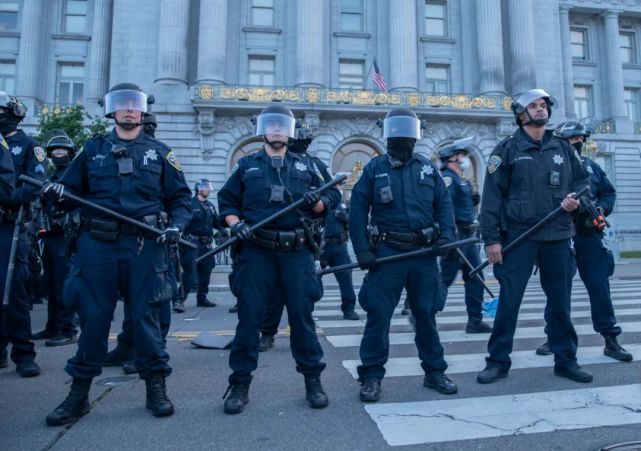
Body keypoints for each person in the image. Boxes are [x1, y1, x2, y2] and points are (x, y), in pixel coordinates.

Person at [43, 83, 192, 426]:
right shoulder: (92, 149)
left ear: (142, 112)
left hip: (145, 244)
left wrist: (177, 227)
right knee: (94, 318)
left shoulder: (160, 152)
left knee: (146, 318)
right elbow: (68, 188)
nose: (128, 110)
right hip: (98, 244)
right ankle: (78, 394)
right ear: (112, 110)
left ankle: (155, 387)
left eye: (134, 105)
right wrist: (57, 191)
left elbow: (181, 200)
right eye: (121, 104)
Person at [217, 105, 340, 414]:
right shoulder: (246, 165)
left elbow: (335, 194)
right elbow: (226, 203)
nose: (275, 130)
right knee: (249, 320)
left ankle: (313, 380)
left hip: (296, 252)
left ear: (289, 131)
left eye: (281, 125)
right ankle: (240, 383)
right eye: (270, 125)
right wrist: (237, 224)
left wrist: (319, 204)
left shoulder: (308, 165)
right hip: (256, 251)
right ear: (263, 130)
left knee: (302, 318)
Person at [477, 88, 592, 385]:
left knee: (560, 304)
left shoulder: (564, 149)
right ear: (521, 114)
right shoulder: (505, 150)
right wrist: (491, 240)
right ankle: (497, 361)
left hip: (557, 236)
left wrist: (574, 201)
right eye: (534, 106)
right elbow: (491, 199)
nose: (541, 109)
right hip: (519, 237)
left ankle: (566, 360)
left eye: (543, 105)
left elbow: (582, 183)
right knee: (509, 303)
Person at [349, 108, 458, 403]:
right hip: (388, 253)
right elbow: (357, 209)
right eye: (397, 130)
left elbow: (443, 206)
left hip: (423, 253)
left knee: (425, 314)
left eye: (407, 130)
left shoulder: (427, 168)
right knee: (378, 316)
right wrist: (362, 248)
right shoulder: (374, 168)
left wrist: (447, 236)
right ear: (387, 134)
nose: (403, 136)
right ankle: (371, 375)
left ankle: (434, 371)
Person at [534, 121, 631, 362]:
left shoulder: (592, 168)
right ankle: (554, 335)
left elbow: (609, 194)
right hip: (561, 236)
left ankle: (610, 339)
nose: (576, 143)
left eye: (579, 139)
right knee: (558, 291)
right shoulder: (550, 169)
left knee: (599, 288)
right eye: (571, 140)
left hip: (589, 236)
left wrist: (600, 209)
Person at [256, 120, 354, 354]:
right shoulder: (270, 160)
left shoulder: (314, 164)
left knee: (303, 293)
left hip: (307, 237)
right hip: (277, 234)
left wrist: (319, 202)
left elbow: (333, 193)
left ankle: (307, 333)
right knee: (276, 292)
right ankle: (267, 333)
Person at [0, 91, 45, 377]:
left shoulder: (27, 144)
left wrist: (10, 198)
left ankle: (23, 352)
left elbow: (37, 181)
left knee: (13, 289)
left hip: (12, 224)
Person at [437, 142, 491, 333]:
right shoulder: (448, 178)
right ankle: (423, 314)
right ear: (451, 158)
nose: (464, 158)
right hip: (457, 236)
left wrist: (471, 199)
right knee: (445, 279)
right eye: (460, 154)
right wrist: (449, 235)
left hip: (468, 236)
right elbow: (445, 207)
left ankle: (475, 320)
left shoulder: (461, 179)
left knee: (475, 277)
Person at [31, 131, 79, 346]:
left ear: (70, 153)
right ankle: (53, 326)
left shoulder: (73, 175)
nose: (59, 154)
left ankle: (68, 328)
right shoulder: (52, 175)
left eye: (63, 151)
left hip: (65, 236)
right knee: (50, 283)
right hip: (49, 234)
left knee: (63, 283)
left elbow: (77, 202)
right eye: (55, 151)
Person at [172, 179, 222, 312]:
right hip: (191, 243)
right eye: (206, 187)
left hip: (207, 244)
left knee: (206, 269)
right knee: (190, 272)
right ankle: (179, 299)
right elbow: (183, 221)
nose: (209, 190)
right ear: (199, 189)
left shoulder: (210, 206)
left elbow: (217, 223)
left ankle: (202, 298)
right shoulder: (190, 204)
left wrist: (225, 230)